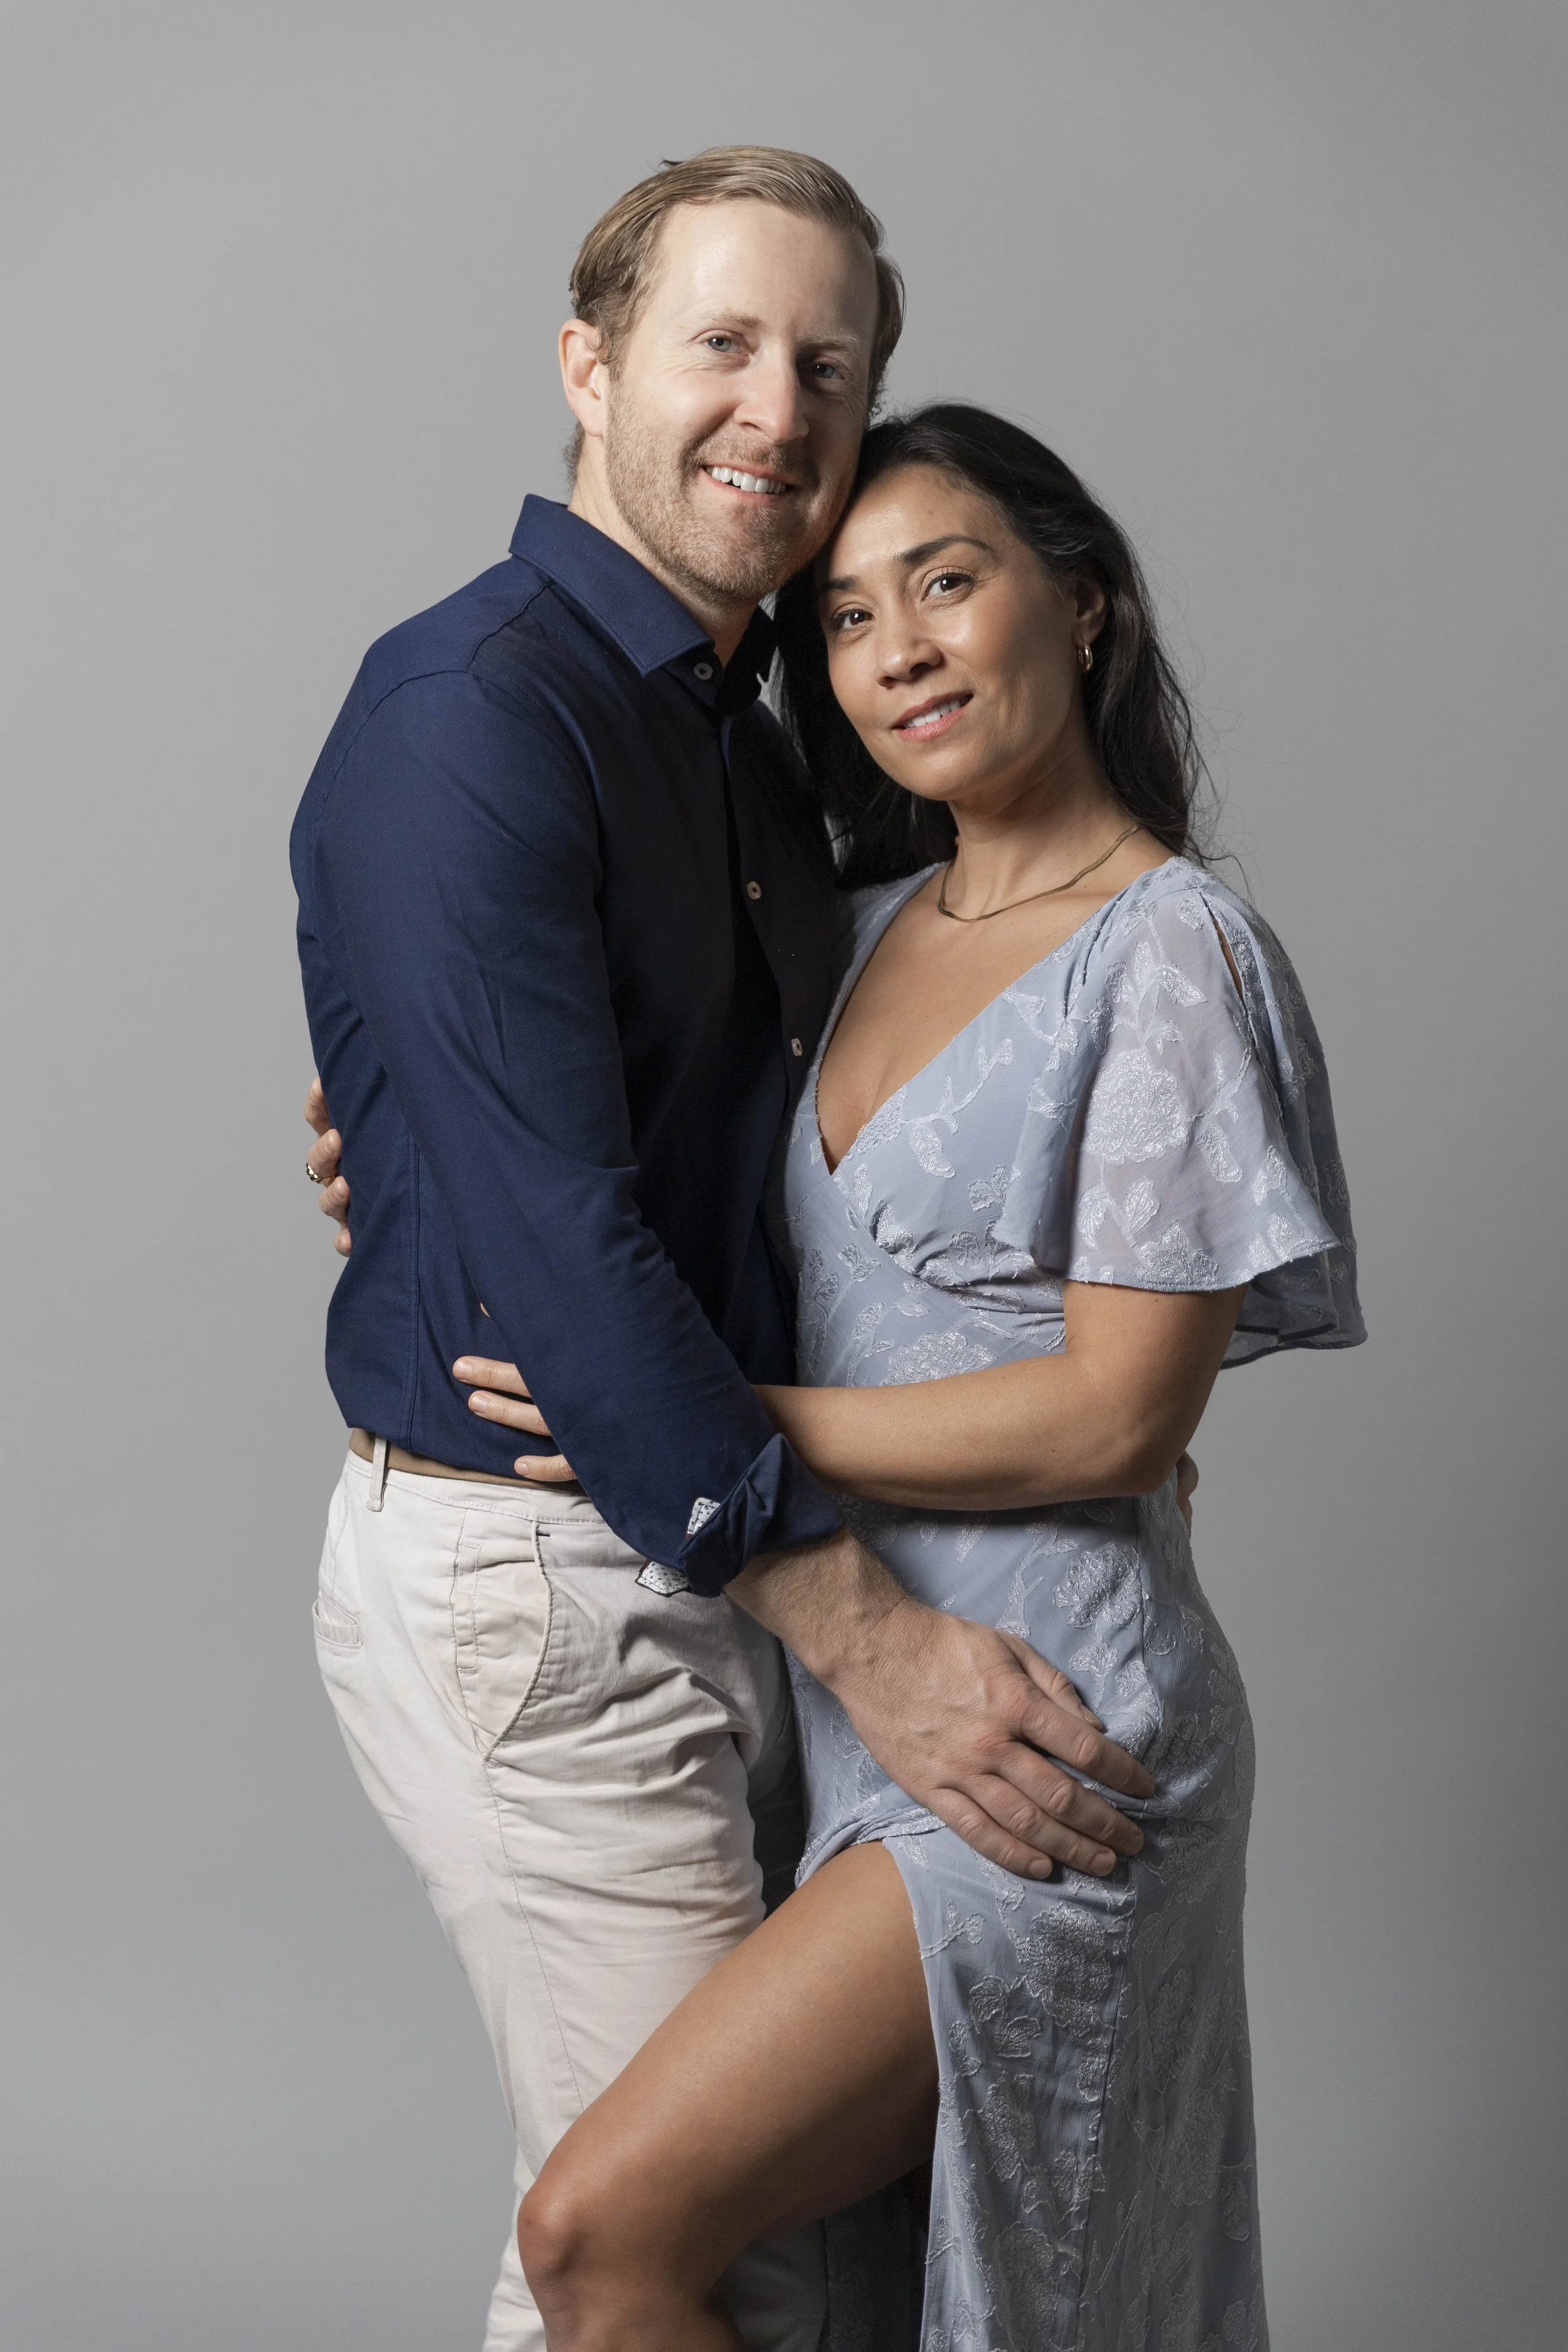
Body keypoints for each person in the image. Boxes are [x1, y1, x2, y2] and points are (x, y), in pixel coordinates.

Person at [291, 153, 1155, 2352]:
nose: (778, 404)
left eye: (827, 362)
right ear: (586, 369)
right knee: (687, 2247)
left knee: (701, 2237)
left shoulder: (751, 733)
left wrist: (406, 1151)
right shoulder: (472, 709)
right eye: (721, 342)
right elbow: (565, 1248)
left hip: (700, 1542)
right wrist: (876, 1641)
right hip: (547, 1580)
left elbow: (770, 1135)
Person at [450, 407, 1365, 2351]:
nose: (899, 652)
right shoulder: (841, 939)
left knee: (603, 2240)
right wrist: (386, 1122)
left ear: (1084, 602)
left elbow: (1120, 1417)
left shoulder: (1168, 947)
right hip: (842, 1703)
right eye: (846, 618)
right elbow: (569, 1120)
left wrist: (699, 1423)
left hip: (1054, 1739)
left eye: (947, 582)